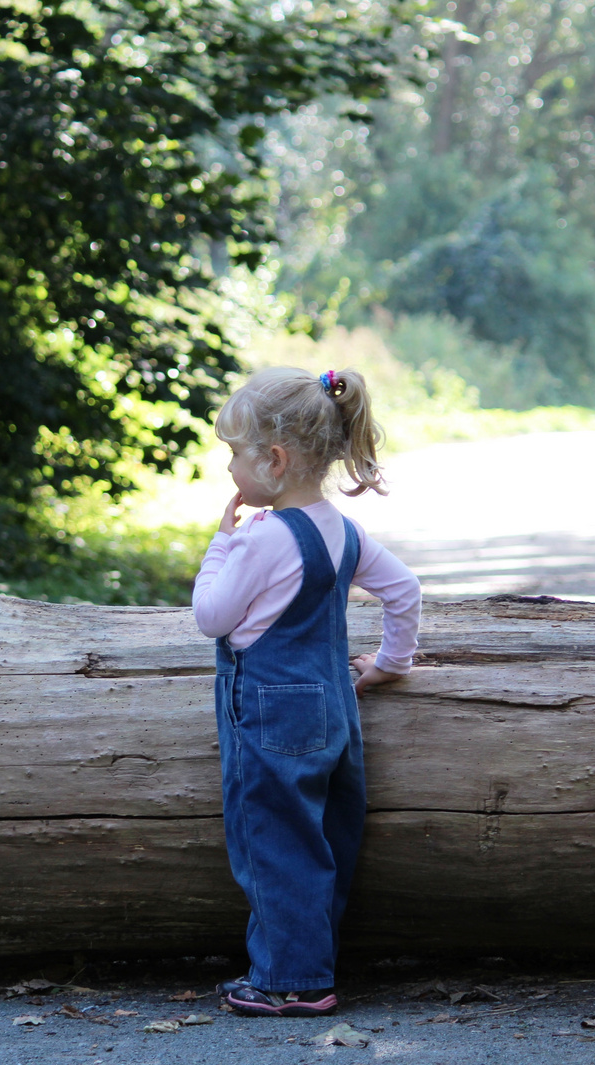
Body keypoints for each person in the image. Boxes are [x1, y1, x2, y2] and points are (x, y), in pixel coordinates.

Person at [193, 366, 422, 1018]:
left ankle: (288, 981)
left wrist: (221, 546)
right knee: (327, 841)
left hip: (267, 714)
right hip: (334, 712)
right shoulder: (343, 532)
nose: (229, 467)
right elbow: (404, 591)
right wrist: (390, 661)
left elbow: (212, 615)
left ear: (274, 460)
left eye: (234, 454)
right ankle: (310, 962)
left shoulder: (262, 538)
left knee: (272, 843)